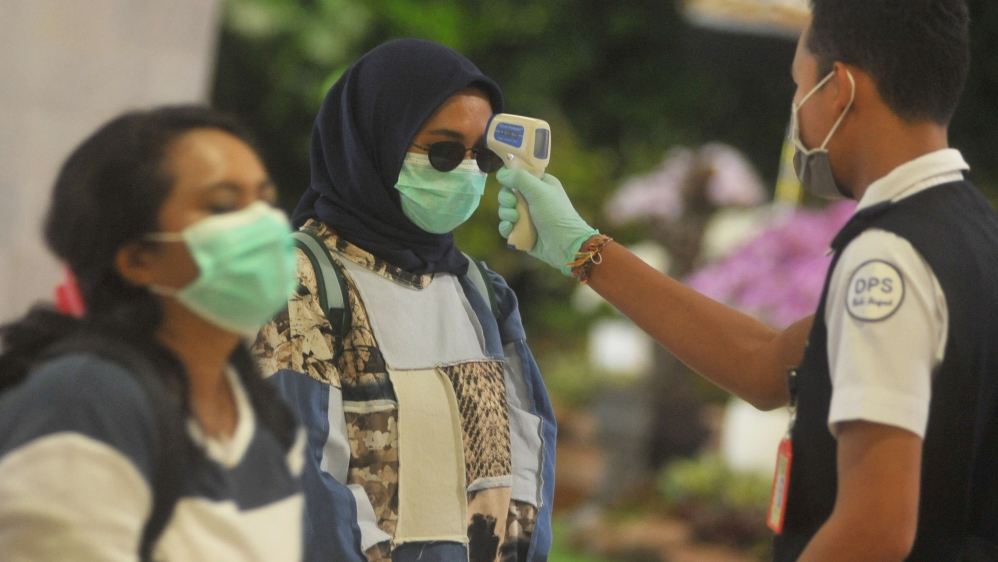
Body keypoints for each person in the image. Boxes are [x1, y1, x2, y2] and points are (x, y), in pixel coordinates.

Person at [495, 1, 997, 561]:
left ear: (840, 90)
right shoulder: (972, 232)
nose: (796, 109)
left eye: (799, 85)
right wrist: (582, 250)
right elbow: (768, 363)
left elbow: (875, 528)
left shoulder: (889, 257)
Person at [252, 39, 556, 562]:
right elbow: (303, 484)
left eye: (482, 155)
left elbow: (528, 461)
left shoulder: (480, 293)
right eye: (443, 151)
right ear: (375, 143)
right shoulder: (299, 282)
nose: (466, 171)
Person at [0, 106, 305, 561]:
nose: (265, 226)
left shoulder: (263, 414)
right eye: (224, 206)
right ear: (138, 259)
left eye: (265, 200)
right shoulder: (87, 404)